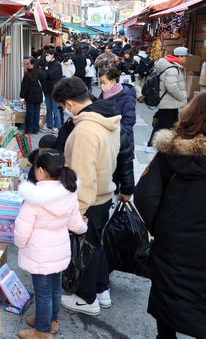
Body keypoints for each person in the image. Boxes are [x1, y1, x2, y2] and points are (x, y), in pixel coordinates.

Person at [134, 91, 206, 339]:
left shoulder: (169, 152)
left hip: (170, 241)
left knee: (168, 294)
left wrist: (159, 227)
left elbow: (145, 196)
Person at [51, 77, 121, 316]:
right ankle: (102, 290)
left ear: (69, 103)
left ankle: (86, 298)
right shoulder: (106, 118)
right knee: (96, 246)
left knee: (85, 250)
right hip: (103, 194)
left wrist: (77, 211)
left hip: (89, 200)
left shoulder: (84, 130)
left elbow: (82, 177)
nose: (64, 110)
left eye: (62, 105)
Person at [15, 150, 88, 339]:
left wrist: (20, 244)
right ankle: (51, 321)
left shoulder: (34, 198)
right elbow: (76, 224)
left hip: (39, 253)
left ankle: (42, 331)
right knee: (55, 288)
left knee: (43, 293)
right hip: (59, 250)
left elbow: (22, 229)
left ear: (40, 171)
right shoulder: (69, 192)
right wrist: (83, 226)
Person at [146, 46, 189, 153]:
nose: (186, 59)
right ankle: (152, 145)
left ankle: (165, 145)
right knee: (164, 125)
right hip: (169, 103)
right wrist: (182, 97)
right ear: (180, 56)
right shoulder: (173, 69)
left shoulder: (169, 65)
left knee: (168, 124)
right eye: (185, 57)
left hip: (168, 103)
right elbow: (172, 87)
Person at [99, 67, 136, 146]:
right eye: (100, 83)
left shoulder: (127, 96)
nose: (101, 85)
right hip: (105, 139)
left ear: (113, 81)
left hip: (120, 140)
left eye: (103, 82)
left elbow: (128, 122)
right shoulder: (103, 94)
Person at [39, 49, 63, 132]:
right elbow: (43, 73)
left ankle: (57, 126)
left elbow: (50, 75)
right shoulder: (48, 63)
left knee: (55, 109)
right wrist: (45, 69)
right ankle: (49, 125)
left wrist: (45, 70)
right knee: (48, 109)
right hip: (47, 89)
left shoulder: (57, 64)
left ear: (53, 55)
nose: (47, 56)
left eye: (48, 54)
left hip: (54, 90)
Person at [20, 58, 45, 134]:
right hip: (39, 96)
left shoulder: (28, 75)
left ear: (33, 65)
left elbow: (24, 87)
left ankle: (29, 129)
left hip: (30, 97)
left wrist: (22, 96)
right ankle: (35, 129)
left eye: (28, 64)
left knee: (30, 113)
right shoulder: (41, 73)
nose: (27, 65)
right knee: (36, 113)